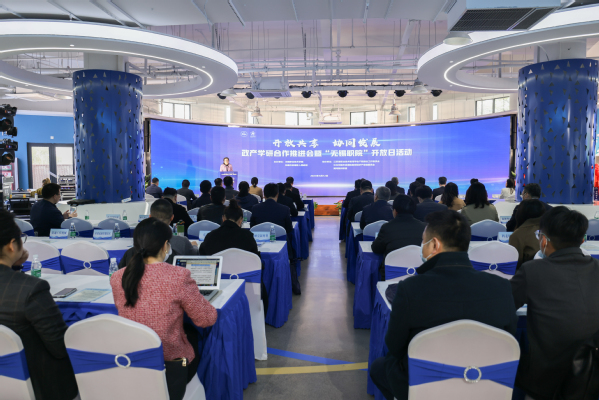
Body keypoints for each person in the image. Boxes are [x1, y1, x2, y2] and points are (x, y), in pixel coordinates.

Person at [370, 210, 517, 400]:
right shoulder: (502, 287)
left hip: (425, 388)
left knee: (380, 366)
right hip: (483, 383)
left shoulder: (410, 289)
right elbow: (508, 339)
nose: (421, 246)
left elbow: (394, 346)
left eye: (423, 241)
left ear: (434, 245)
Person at [111, 218, 217, 399]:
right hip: (171, 363)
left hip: (132, 357)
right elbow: (206, 319)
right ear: (165, 246)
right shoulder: (178, 275)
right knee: (195, 335)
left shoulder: (118, 276)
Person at [511, 207, 599, 400]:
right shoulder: (596, 267)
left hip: (543, 381)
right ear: (582, 240)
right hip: (589, 377)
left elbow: (505, 307)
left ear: (544, 240)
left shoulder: (532, 271)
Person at [0, 210, 79, 400]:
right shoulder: (31, 289)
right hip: (37, 384)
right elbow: (60, 347)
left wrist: (14, 264)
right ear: (11, 245)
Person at [118, 199, 198, 269]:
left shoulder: (135, 248)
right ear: (172, 217)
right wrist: (194, 246)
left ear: (150, 217)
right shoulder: (183, 242)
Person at [371, 195, 426, 276]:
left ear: (395, 211)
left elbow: (376, 248)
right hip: (419, 274)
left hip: (391, 275)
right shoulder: (424, 227)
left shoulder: (387, 227)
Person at [508, 199, 545, 270]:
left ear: (520, 213)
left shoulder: (518, 235)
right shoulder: (551, 229)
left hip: (529, 273)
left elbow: (515, 265)